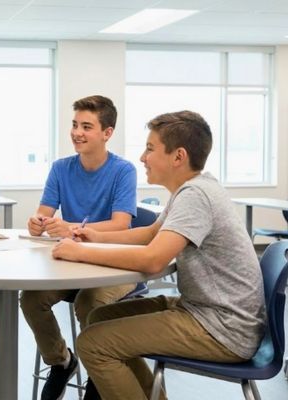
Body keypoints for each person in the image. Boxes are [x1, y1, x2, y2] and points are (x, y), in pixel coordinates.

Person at [53, 110, 266, 400]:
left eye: (150, 149)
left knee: (93, 344)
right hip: (208, 312)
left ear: (178, 157)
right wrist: (97, 236)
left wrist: (79, 252)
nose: (142, 157)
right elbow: (151, 233)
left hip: (222, 327)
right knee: (98, 319)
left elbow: (153, 259)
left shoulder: (195, 197)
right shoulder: (193, 189)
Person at [20, 95, 137, 400]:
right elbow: (44, 213)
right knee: (31, 299)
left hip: (113, 266)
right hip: (71, 263)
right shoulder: (61, 168)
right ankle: (62, 362)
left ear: (107, 133)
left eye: (87, 126)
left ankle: (99, 372)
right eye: (74, 125)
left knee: (89, 302)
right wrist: (38, 223)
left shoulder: (123, 171)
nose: (77, 132)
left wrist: (72, 227)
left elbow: (121, 225)